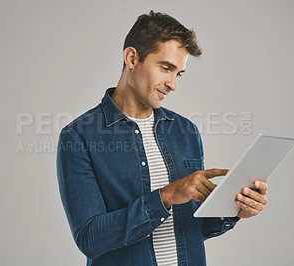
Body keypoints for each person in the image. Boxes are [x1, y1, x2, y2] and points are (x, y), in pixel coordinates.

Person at [57, 11, 268, 266]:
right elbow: (90, 238)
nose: (172, 84)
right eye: (166, 68)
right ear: (132, 57)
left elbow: (192, 226)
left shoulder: (185, 130)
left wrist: (236, 209)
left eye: (178, 73)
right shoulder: (79, 136)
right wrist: (166, 196)